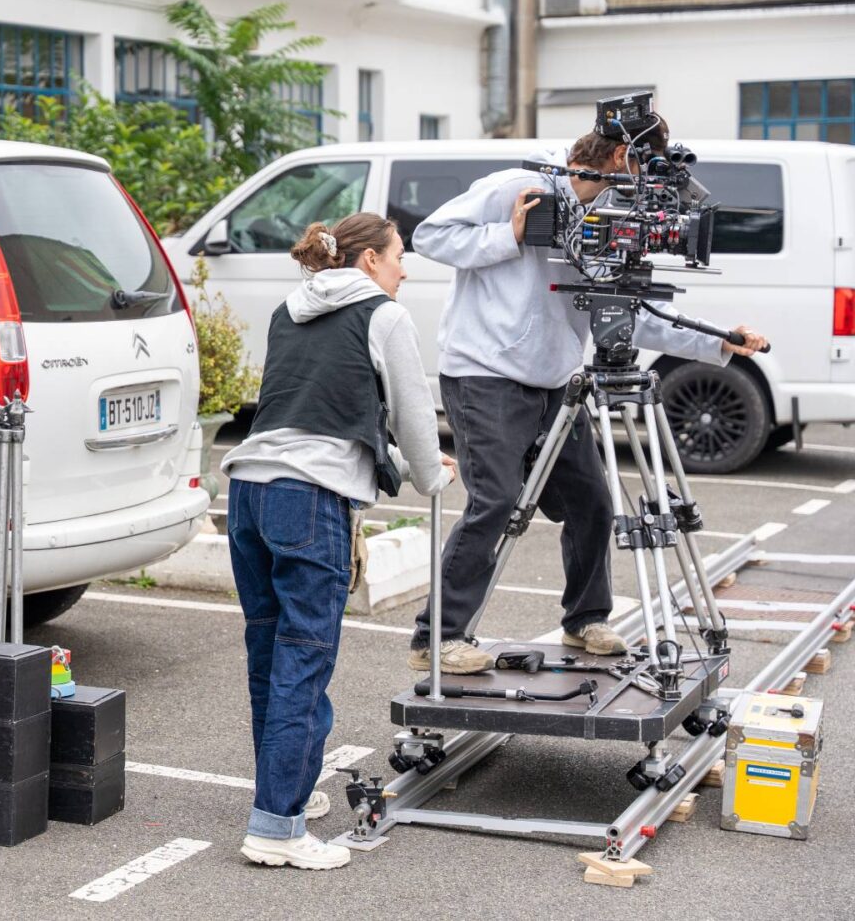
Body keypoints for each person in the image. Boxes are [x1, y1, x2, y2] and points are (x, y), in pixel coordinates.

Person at [408, 120, 768, 674]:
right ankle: (438, 638)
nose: (646, 182)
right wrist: (508, 235)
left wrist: (718, 342)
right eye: (643, 166)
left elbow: (629, 311)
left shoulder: (610, 210)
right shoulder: (518, 186)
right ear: (622, 155)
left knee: (592, 503)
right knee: (496, 501)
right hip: (484, 374)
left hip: (556, 382)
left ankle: (584, 619)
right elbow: (430, 235)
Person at [221, 213, 453, 871]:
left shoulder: (287, 310)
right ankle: (277, 826)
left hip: (249, 489)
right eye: (399, 255)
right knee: (303, 658)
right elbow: (412, 415)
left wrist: (398, 463)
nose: (404, 270)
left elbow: (315, 415)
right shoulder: (385, 316)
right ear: (370, 260)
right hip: (309, 499)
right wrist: (430, 474)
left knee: (271, 651)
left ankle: (283, 795)